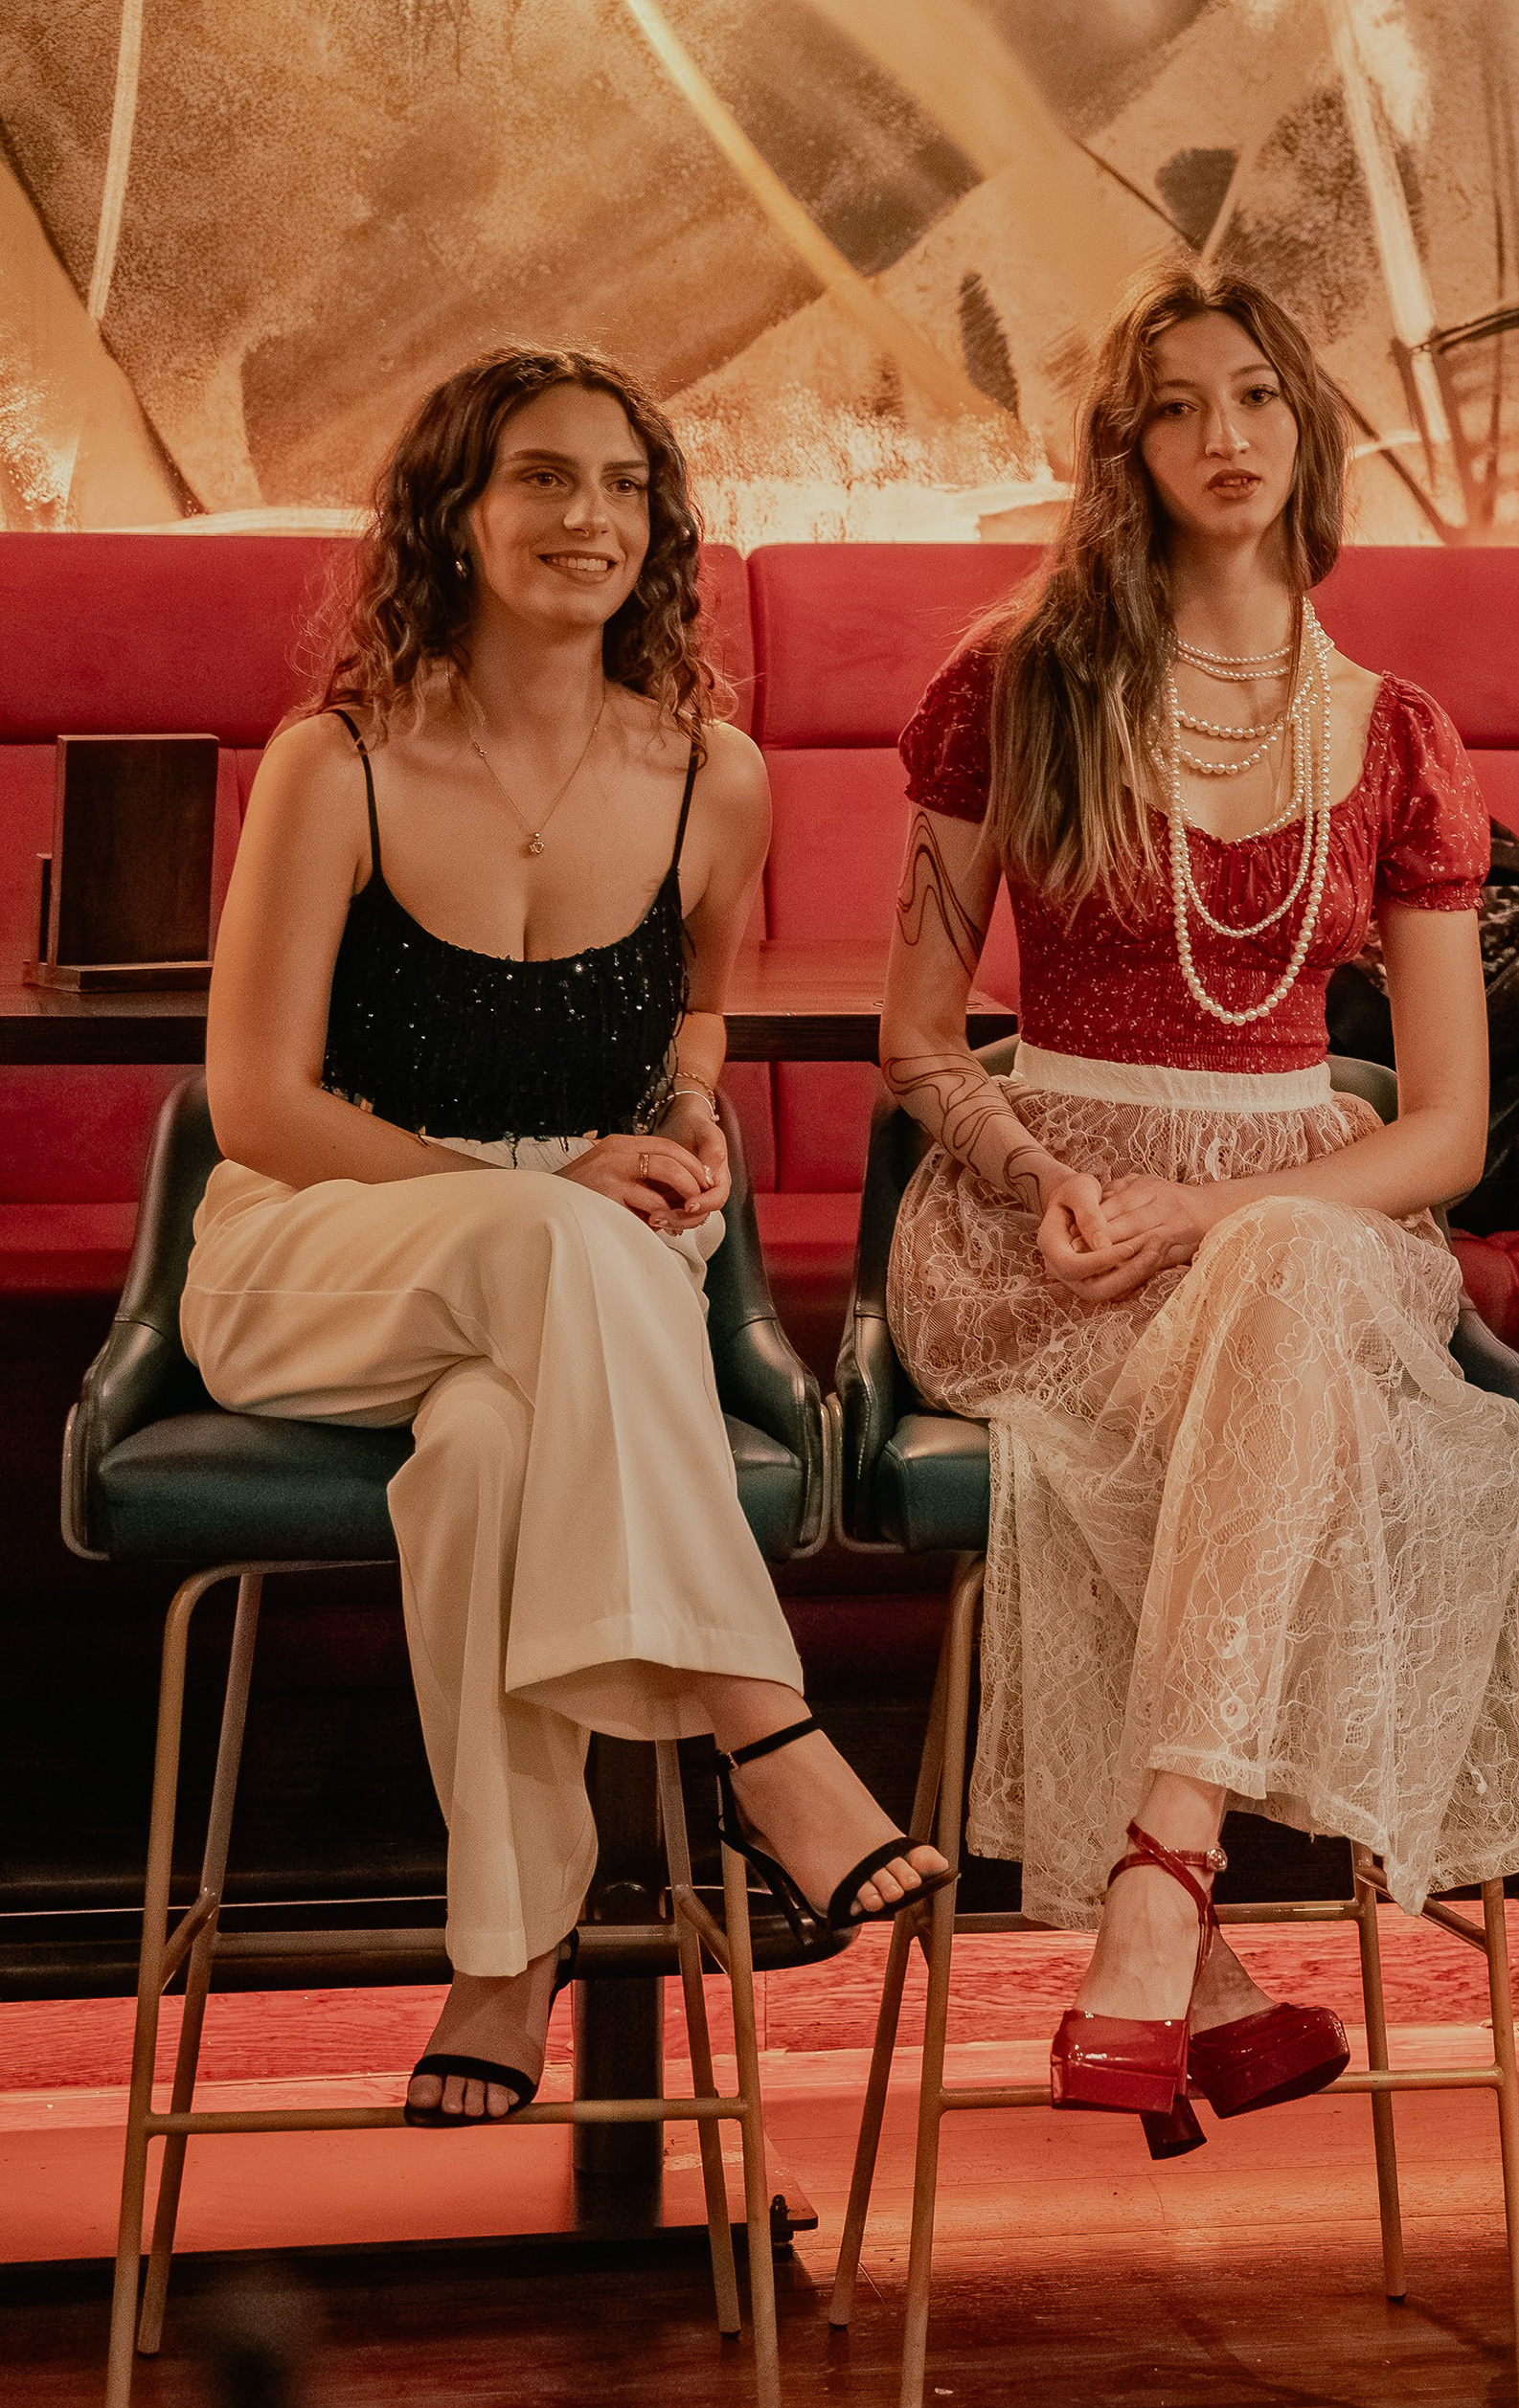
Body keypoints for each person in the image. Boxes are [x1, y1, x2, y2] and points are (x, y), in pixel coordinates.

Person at [192, 346, 947, 2127]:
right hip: (323, 1248)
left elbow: (698, 1018)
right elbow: (257, 1105)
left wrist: (687, 1117)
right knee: (556, 1253)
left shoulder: (712, 780)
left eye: (623, 487)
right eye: (540, 477)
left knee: (485, 1457)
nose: (587, 518)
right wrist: (532, 1195)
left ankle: (505, 1955)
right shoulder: (336, 765)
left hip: (584, 1277)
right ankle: (770, 1733)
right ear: (453, 513)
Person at [877, 265, 1519, 2160]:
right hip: (1050, 1224)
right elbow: (917, 1035)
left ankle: (1163, 1896)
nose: (1224, 435)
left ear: (1307, 428)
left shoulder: (1397, 734)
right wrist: (1049, 1177)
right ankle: (1200, 1955)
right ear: (1127, 450)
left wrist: (1221, 1210)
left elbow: (1448, 1130)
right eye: (1176, 406)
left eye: (1255, 395)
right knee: (1272, 1318)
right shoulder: (1011, 685)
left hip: (1298, 1211)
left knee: (1290, 1260)